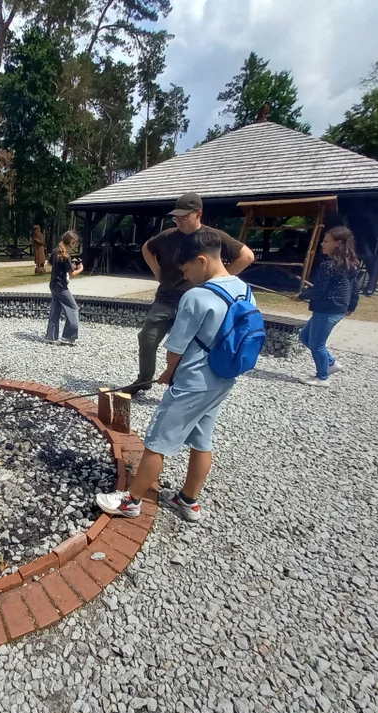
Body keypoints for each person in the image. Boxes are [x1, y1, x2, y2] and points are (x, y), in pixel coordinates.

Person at [96, 231, 256, 522]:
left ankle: (130, 502)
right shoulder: (244, 289)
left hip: (192, 382)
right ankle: (188, 501)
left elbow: (175, 348)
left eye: (186, 270)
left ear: (201, 260)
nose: (186, 277)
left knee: (158, 440)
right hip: (221, 380)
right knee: (202, 440)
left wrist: (168, 374)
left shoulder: (197, 296)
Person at [132, 192, 255, 395]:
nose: (179, 222)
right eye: (176, 218)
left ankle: (178, 384)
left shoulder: (211, 237)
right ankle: (144, 379)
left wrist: (219, 281)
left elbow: (247, 256)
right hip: (166, 299)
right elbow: (147, 248)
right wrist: (157, 271)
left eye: (184, 217)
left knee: (187, 347)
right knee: (147, 338)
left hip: (195, 303)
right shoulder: (168, 235)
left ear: (198, 214)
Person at [297, 226, 360, 387]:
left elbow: (319, 290)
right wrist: (352, 305)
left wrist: (301, 295)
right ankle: (331, 363)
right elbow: (355, 288)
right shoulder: (350, 263)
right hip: (335, 309)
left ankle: (322, 377)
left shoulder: (329, 265)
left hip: (327, 309)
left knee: (317, 344)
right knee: (305, 337)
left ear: (338, 243)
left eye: (326, 241)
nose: (322, 244)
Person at [46, 230, 83, 345]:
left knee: (56, 310)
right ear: (70, 242)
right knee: (73, 308)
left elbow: (50, 263)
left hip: (53, 285)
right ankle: (68, 336)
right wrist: (80, 269)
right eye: (74, 243)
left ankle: (51, 336)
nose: (75, 245)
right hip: (62, 287)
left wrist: (63, 267)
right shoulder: (66, 256)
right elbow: (72, 274)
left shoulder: (56, 251)